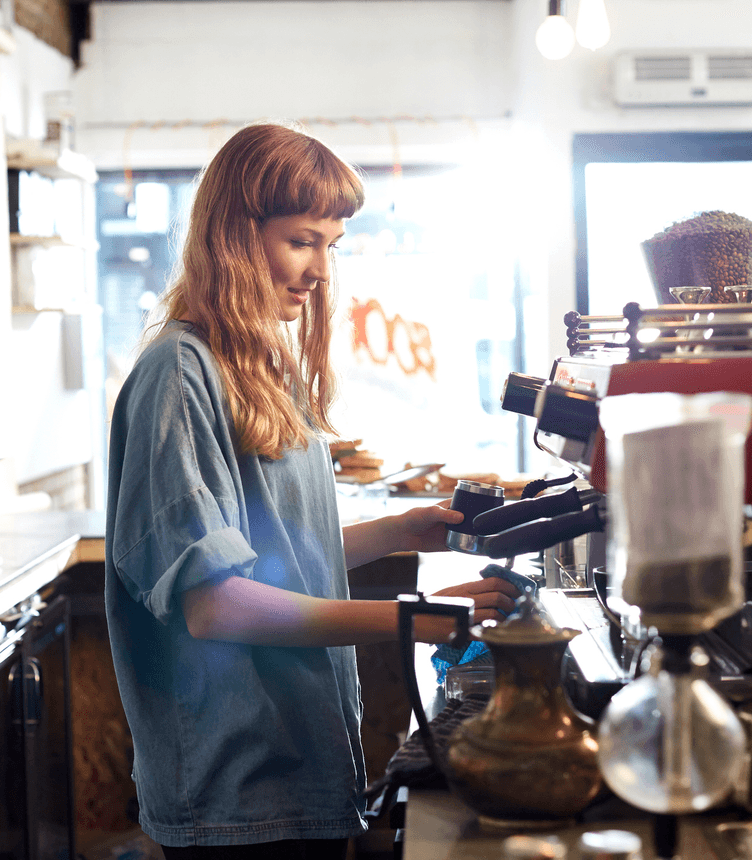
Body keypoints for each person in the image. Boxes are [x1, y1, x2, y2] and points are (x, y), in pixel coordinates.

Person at [104, 122, 520, 859]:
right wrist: (413, 618)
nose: (322, 269)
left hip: (295, 766)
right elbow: (216, 603)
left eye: (333, 244)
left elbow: (279, 556)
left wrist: (402, 530)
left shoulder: (260, 365)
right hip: (234, 790)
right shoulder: (179, 373)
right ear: (233, 234)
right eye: (303, 240)